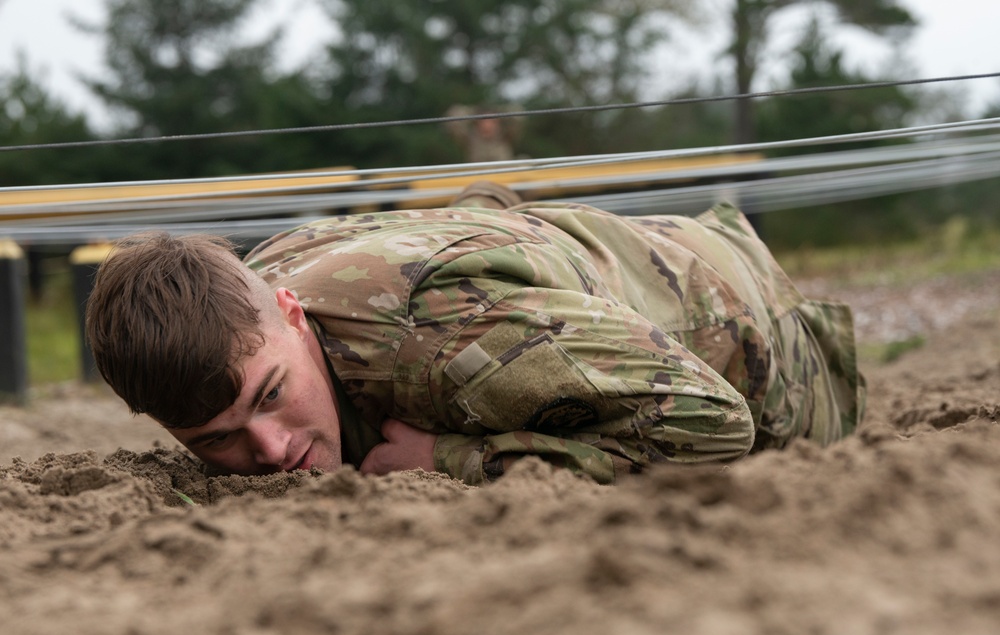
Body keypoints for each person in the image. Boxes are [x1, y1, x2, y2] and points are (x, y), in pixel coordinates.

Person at [85, 182, 865, 485]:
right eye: (216, 440)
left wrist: (451, 457)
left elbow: (714, 423)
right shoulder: (239, 301)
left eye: (273, 395)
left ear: (293, 312)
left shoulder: (445, 346)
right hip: (600, 263)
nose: (273, 449)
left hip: (754, 325)